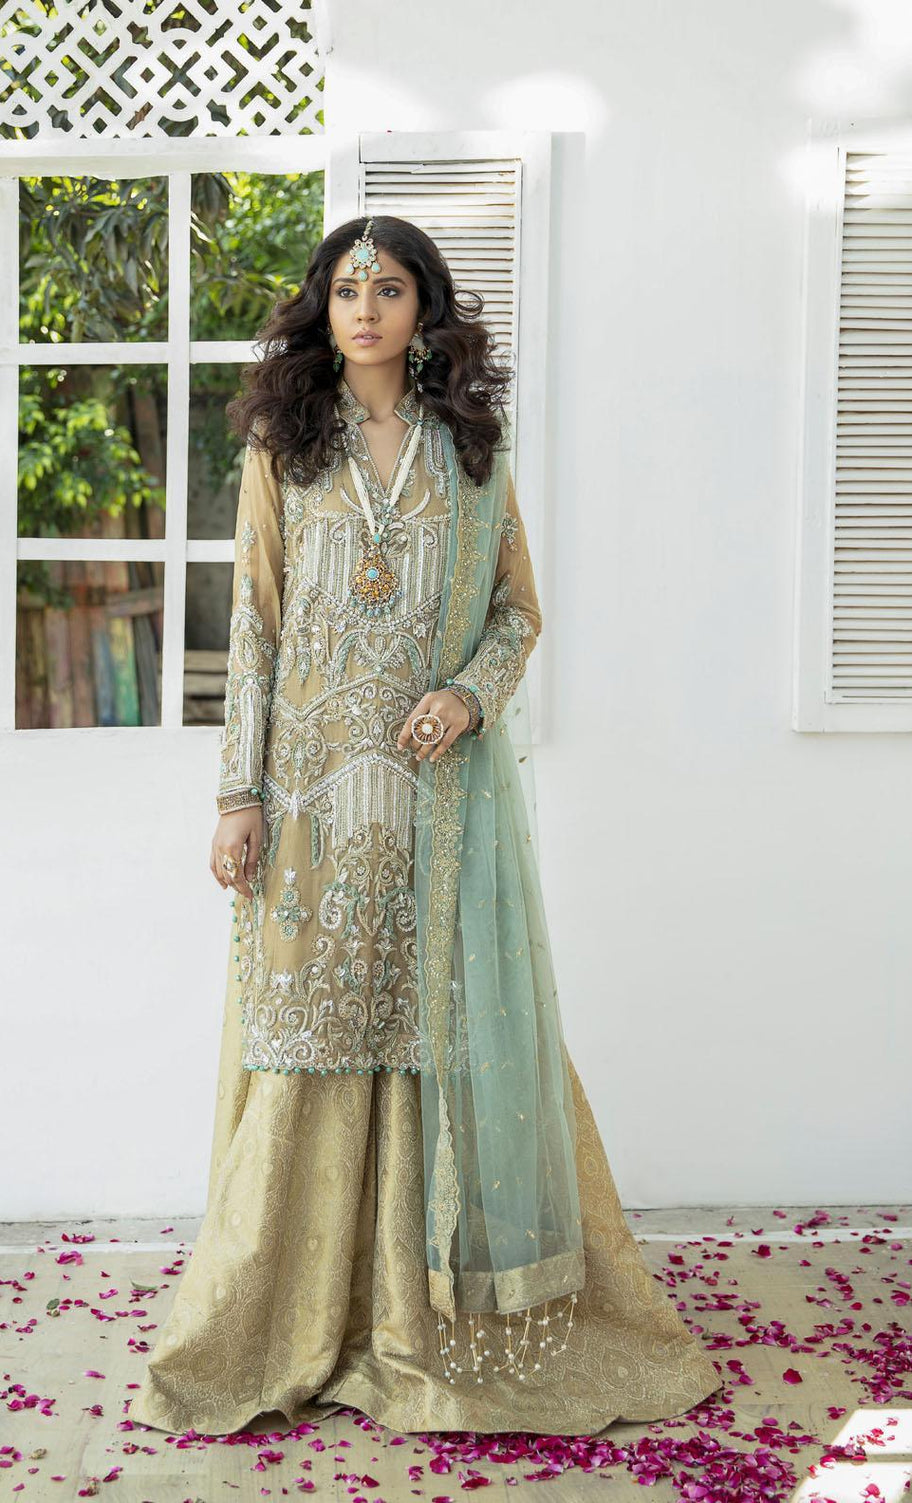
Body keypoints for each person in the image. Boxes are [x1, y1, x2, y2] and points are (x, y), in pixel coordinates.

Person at [128, 215, 722, 1437]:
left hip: (438, 798)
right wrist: (237, 794)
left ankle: (427, 1310)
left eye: (389, 288)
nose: (365, 309)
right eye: (346, 289)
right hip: (307, 802)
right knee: (310, 1034)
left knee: (434, 1027)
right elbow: (255, 626)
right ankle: (290, 1317)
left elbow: (517, 614)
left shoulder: (471, 450)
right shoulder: (287, 446)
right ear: (322, 307)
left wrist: (466, 695)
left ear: (423, 308)